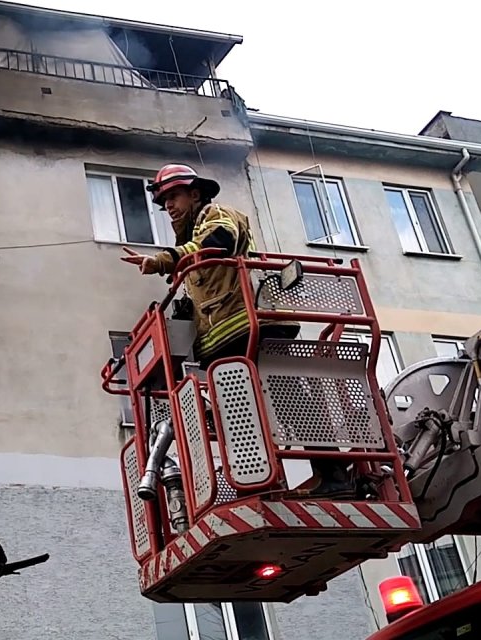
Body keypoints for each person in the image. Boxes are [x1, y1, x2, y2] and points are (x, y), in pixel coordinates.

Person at [121, 163, 355, 498]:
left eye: (174, 196)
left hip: (255, 326)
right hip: (227, 338)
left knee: (288, 400)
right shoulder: (191, 244)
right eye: (163, 200)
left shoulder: (217, 215)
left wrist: (164, 260)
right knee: (241, 412)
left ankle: (333, 477)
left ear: (195, 193)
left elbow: (218, 243)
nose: (168, 206)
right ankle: (260, 483)